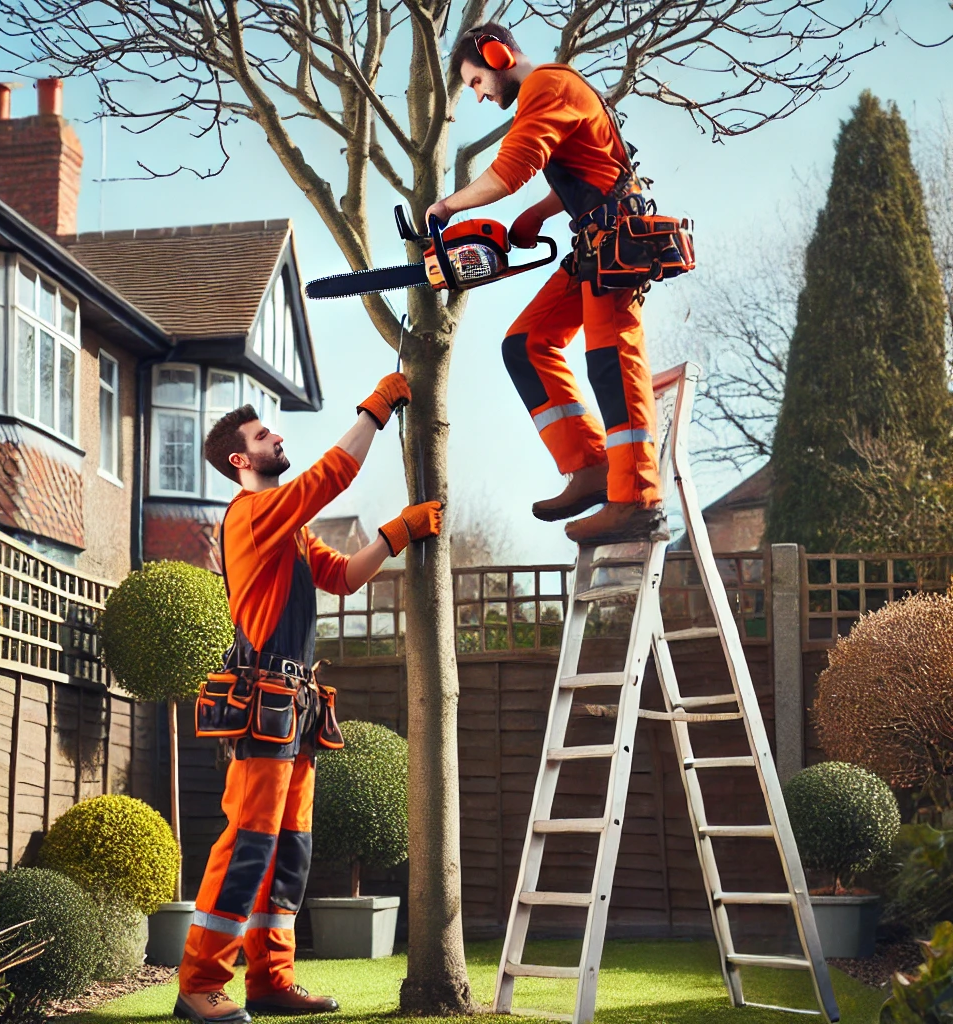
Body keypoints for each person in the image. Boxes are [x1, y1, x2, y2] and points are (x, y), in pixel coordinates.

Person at [174, 373, 442, 1024]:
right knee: (249, 843)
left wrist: (397, 533)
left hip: (294, 706)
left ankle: (271, 980)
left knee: (289, 847)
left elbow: (344, 575)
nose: (278, 436)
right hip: (266, 703)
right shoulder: (251, 515)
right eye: (264, 435)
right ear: (241, 460)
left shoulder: (288, 531)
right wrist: (373, 413)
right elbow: (330, 477)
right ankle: (200, 983)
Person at [426, 24, 666, 545]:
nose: (479, 95)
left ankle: (639, 500)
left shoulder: (546, 86)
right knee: (525, 344)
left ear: (497, 54)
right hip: (593, 242)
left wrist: (448, 205)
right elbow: (596, 169)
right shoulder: (552, 94)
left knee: (610, 362)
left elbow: (511, 169)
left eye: (476, 81)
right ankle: (590, 467)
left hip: (615, 243)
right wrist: (537, 213)